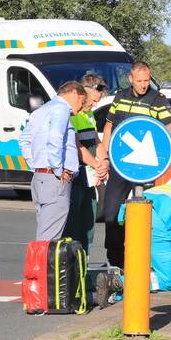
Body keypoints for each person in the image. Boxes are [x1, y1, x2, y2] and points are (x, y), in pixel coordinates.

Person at [98, 61, 171, 270]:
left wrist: (154, 154)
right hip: (120, 164)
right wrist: (106, 157)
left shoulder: (158, 100)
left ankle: (144, 260)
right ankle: (115, 260)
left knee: (144, 214)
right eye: (140, 81)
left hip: (145, 168)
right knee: (111, 213)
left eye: (147, 80)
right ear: (131, 79)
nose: (144, 85)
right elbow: (109, 127)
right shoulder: (120, 96)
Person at [19, 81, 86, 241]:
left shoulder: (41, 110)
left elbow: (24, 140)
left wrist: (36, 165)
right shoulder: (61, 108)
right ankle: (40, 260)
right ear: (75, 93)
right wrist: (57, 169)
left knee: (45, 233)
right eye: (82, 101)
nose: (81, 107)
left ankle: (40, 259)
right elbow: (55, 138)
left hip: (40, 178)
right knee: (48, 239)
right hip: (55, 179)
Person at [63, 74, 109, 257]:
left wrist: (104, 162)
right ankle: (71, 265)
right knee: (74, 223)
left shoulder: (89, 114)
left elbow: (96, 141)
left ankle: (84, 263)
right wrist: (97, 165)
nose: (95, 104)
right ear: (86, 91)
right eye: (95, 99)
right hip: (76, 175)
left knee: (89, 221)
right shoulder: (72, 114)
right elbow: (76, 146)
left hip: (90, 175)